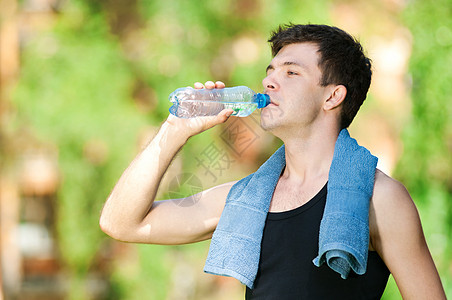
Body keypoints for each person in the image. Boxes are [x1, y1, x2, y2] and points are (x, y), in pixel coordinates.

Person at [99, 24, 446, 299]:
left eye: (290, 73)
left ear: (332, 96)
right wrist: (174, 130)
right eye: (270, 70)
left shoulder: (380, 199)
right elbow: (122, 223)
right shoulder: (243, 199)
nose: (268, 80)